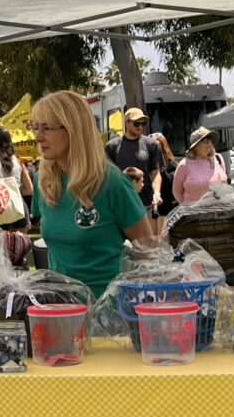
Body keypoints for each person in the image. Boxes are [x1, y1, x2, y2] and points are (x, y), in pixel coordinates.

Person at [30, 90, 149, 298]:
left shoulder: (112, 183)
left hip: (108, 318)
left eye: (47, 128)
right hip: (59, 313)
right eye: (36, 127)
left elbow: (148, 251)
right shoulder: (43, 182)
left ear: (74, 129)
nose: (38, 137)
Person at [104, 107, 162, 204]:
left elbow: (155, 172)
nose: (140, 127)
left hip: (145, 202)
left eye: (143, 123)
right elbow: (107, 175)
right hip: (120, 201)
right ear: (126, 123)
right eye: (136, 123)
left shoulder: (152, 145)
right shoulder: (112, 146)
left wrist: (157, 193)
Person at [0, 126, 33, 230]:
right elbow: (29, 189)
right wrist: (13, 191)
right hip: (19, 208)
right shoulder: (18, 161)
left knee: (0, 245)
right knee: (20, 245)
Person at [172, 126, 230, 205]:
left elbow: (224, 185)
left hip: (218, 211)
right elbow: (176, 192)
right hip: (194, 214)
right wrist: (187, 207)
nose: (209, 143)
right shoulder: (184, 164)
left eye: (211, 140)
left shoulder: (218, 158)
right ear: (196, 146)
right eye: (205, 140)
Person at [151, 132, 179, 218]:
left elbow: (174, 185)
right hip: (152, 206)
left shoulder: (172, 164)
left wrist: (162, 171)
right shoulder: (147, 164)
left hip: (169, 208)